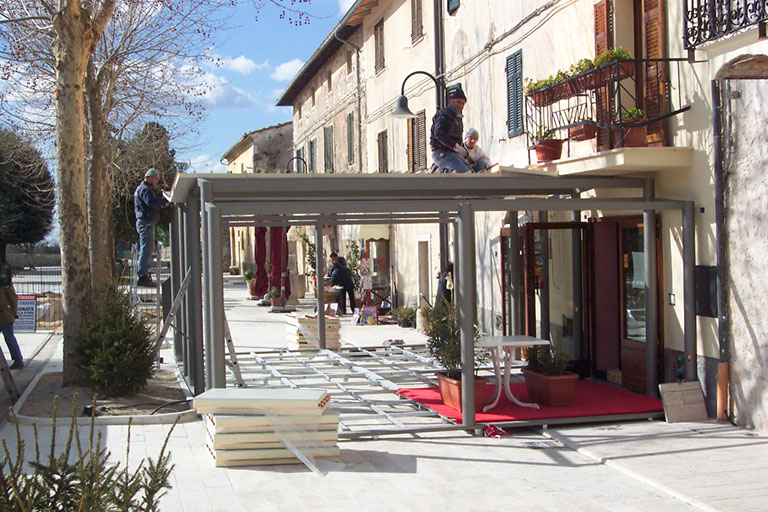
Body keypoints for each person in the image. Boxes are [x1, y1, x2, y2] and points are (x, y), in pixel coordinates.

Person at [134, 168, 169, 287]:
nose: (156, 181)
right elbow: (151, 203)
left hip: (144, 222)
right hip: (146, 222)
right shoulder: (145, 189)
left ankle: (144, 273)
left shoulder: (143, 188)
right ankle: (143, 276)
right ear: (150, 178)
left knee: (148, 248)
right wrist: (164, 200)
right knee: (146, 249)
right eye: (155, 179)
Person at [430, 87, 472, 173]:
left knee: (472, 173)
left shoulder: (457, 119)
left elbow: (457, 139)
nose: (461, 105)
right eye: (458, 102)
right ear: (451, 101)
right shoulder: (444, 114)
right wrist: (455, 146)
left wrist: (466, 155)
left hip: (453, 153)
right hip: (441, 152)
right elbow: (439, 133)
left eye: (463, 103)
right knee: (466, 174)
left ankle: (441, 171)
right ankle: (440, 171)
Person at [0, 264, 23, 370]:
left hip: (5, 314)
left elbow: (13, 298)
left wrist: (13, 312)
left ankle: (18, 361)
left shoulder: (4, 282)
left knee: (9, 338)